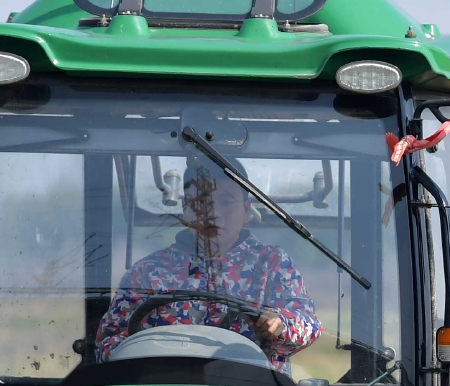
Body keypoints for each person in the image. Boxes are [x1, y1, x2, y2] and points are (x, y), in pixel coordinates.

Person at [95, 158, 322, 373]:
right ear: (185, 208)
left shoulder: (271, 264)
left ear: (246, 210)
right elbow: (109, 341)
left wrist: (279, 323)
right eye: (201, 202)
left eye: (225, 202)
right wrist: (148, 358)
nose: (212, 214)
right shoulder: (147, 271)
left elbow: (308, 325)